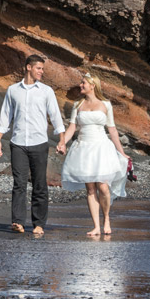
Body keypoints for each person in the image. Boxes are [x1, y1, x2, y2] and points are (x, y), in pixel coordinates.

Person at [0, 54, 66, 236]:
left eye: (42, 69)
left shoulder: (46, 91)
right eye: (39, 68)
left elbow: (55, 116)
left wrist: (62, 140)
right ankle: (17, 222)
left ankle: (38, 223)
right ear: (28, 67)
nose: (42, 72)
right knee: (18, 183)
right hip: (18, 143)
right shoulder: (13, 90)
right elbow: (5, 115)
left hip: (39, 143)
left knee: (39, 184)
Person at [58, 73, 130, 236]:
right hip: (84, 148)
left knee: (103, 187)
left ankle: (106, 219)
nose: (80, 85)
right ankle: (96, 225)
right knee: (90, 188)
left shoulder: (106, 104)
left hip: (101, 147)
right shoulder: (77, 105)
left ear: (92, 86)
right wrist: (63, 142)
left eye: (83, 83)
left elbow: (112, 129)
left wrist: (122, 152)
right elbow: (72, 128)